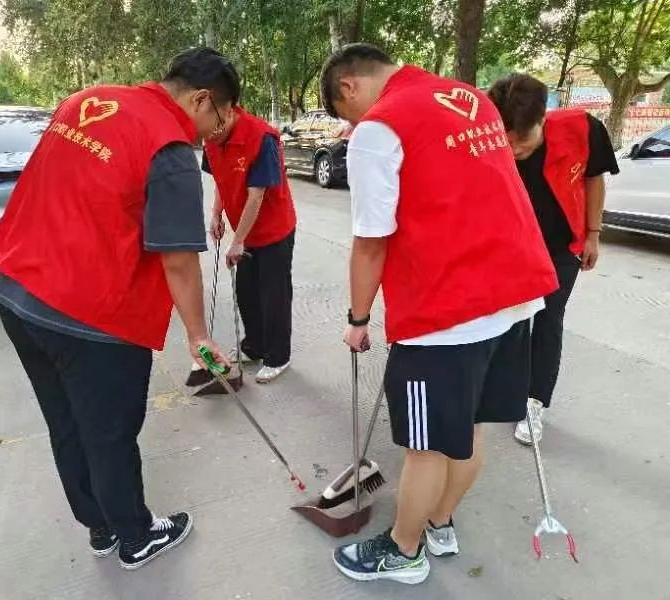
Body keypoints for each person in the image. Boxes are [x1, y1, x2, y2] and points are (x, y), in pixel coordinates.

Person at [0, 48, 235, 570]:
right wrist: (198, 336)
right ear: (201, 99)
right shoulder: (169, 146)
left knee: (66, 422)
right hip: (89, 315)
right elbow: (179, 259)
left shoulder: (87, 100)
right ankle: (135, 536)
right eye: (219, 117)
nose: (214, 131)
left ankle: (100, 526)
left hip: (18, 293)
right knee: (108, 432)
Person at [320, 44, 559, 585]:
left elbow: (371, 242)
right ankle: (440, 522)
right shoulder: (470, 97)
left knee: (425, 447)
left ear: (348, 86)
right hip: (513, 298)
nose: (350, 124)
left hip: (447, 311)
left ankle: (403, 551)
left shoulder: (378, 129)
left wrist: (358, 319)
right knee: (468, 432)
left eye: (344, 113)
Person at [488, 74, 619, 445]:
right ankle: (503, 392)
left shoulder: (582, 129)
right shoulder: (487, 139)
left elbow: (593, 179)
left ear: (543, 118)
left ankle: (534, 402)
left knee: (548, 320)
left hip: (561, 247)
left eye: (522, 140)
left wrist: (593, 234)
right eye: (507, 140)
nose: (513, 149)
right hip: (510, 247)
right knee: (509, 321)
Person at [202, 106, 297, 383]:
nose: (212, 135)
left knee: (273, 295)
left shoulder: (261, 138)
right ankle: (254, 346)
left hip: (274, 229)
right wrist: (216, 214)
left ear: (229, 110)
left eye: (217, 128)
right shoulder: (211, 135)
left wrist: (237, 241)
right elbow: (221, 179)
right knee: (246, 291)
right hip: (245, 230)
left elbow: (256, 196)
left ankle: (278, 357)